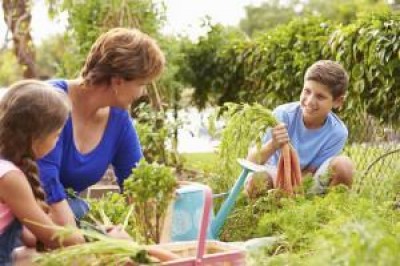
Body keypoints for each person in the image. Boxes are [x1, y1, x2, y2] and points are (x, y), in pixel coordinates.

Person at [38, 27, 165, 227]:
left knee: (80, 209)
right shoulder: (49, 103)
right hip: (18, 213)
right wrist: (84, 242)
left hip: (61, 215)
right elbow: (47, 187)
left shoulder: (118, 120)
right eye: (142, 84)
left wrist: (150, 235)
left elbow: (137, 184)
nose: (142, 93)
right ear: (117, 81)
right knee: (78, 209)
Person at [0, 80, 85, 264]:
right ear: (35, 138)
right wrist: (90, 239)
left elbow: (30, 236)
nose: (57, 142)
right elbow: (51, 237)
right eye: (56, 135)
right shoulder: (10, 178)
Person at [246, 60, 354, 197]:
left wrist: (288, 193)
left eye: (320, 96)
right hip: (273, 176)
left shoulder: (337, 132)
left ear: (338, 101)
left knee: (344, 165)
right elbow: (251, 160)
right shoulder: (283, 115)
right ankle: (264, 215)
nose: (309, 101)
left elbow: (311, 172)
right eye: (307, 91)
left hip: (306, 182)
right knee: (257, 181)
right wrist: (273, 144)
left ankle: (326, 213)